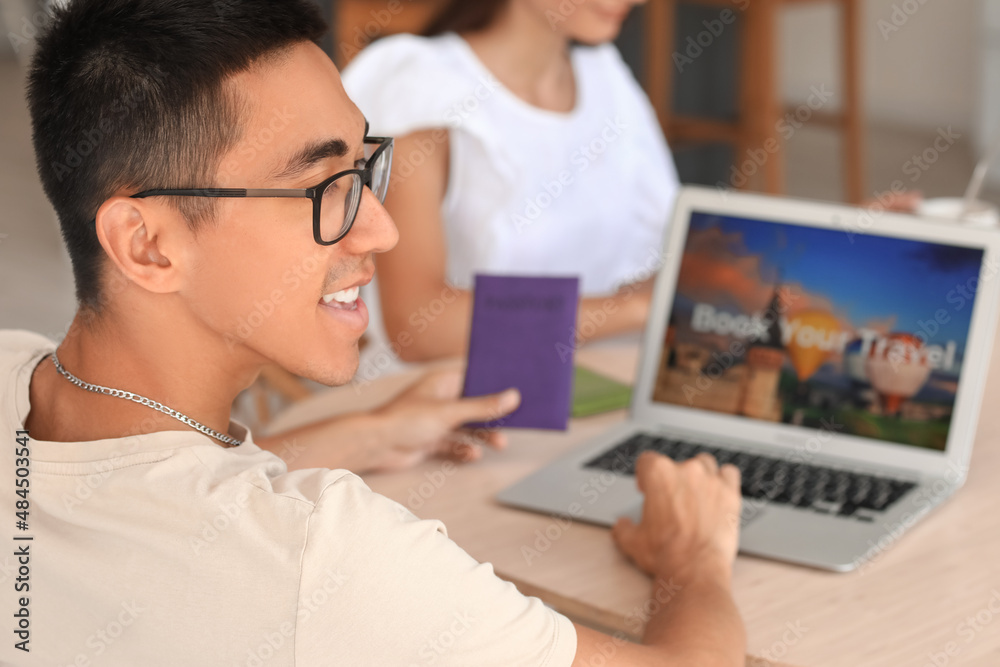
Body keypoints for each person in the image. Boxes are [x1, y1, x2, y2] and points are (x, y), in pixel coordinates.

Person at [0, 0, 745, 663]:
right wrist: (693, 556)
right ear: (147, 244)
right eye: (322, 187)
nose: (381, 229)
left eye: (365, 170)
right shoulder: (329, 556)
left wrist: (365, 433)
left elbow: (147, 490)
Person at [343, 0, 680, 365]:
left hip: (609, 386)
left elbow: (666, 246)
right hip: (456, 401)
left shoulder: (608, 77)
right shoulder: (423, 86)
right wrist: (638, 309)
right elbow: (419, 327)